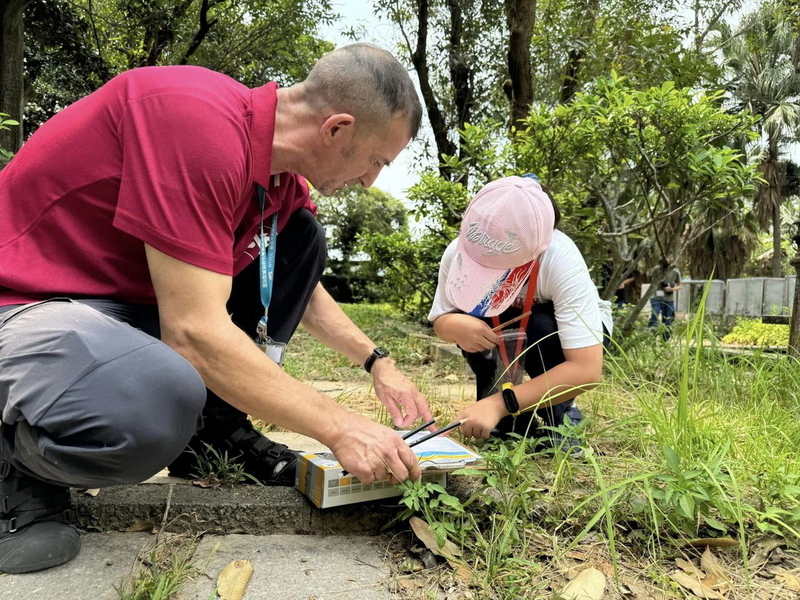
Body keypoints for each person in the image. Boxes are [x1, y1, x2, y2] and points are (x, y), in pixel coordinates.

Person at [0, 44, 433, 573]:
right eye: (376, 161)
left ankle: (214, 431)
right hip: (25, 305)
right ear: (337, 128)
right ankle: (15, 464)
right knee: (155, 404)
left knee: (300, 238)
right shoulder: (194, 120)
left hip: (117, 310)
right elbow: (193, 332)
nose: (372, 181)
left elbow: (306, 291)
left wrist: (377, 362)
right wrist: (340, 427)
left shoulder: (276, 184)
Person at [428, 175, 612, 445]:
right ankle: (513, 420)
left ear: (537, 249)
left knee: (541, 327)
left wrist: (499, 404)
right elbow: (441, 320)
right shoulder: (458, 252)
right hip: (509, 331)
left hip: (566, 338)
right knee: (473, 321)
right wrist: (454, 326)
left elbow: (586, 369)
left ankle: (559, 417)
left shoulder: (558, 258)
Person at [648, 260, 682, 340]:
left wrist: (671, 289)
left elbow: (679, 286)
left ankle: (665, 340)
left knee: (668, 319)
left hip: (669, 299)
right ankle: (651, 337)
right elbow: (652, 280)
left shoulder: (675, 272)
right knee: (655, 315)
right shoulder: (656, 269)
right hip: (656, 297)